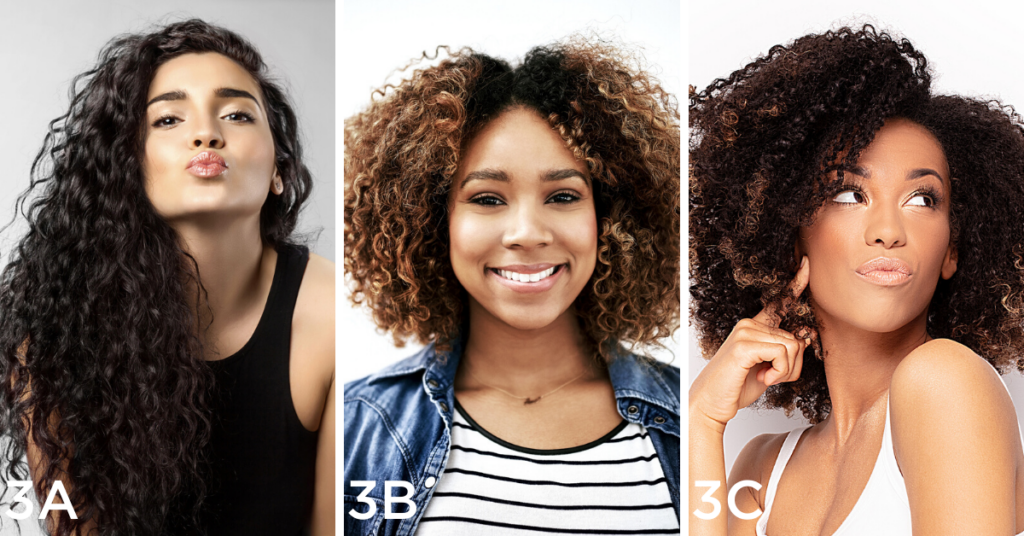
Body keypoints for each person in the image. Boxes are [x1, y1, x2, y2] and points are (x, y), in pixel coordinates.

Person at [0, 19, 335, 536]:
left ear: (279, 171)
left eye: (237, 114)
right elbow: (73, 526)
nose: (206, 133)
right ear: (128, 166)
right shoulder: (54, 329)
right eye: (168, 120)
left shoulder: (338, 316)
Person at [689, 24, 1024, 535]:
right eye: (848, 194)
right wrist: (702, 422)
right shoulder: (761, 469)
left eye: (922, 199)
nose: (889, 231)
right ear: (791, 234)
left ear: (951, 249)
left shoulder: (946, 383)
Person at [343, 38, 680, 535]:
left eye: (563, 195)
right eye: (487, 199)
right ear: (436, 221)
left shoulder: (688, 426)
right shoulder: (359, 427)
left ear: (610, 218)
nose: (527, 233)